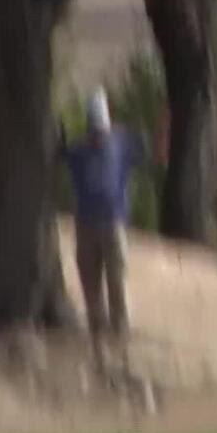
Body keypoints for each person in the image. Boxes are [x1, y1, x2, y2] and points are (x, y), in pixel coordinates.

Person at [60, 89, 147, 364]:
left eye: (102, 131)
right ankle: (97, 335)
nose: (98, 137)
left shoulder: (122, 142)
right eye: (94, 131)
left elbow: (146, 153)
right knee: (90, 281)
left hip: (113, 225)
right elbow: (60, 154)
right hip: (85, 225)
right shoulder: (80, 151)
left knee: (116, 279)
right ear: (88, 128)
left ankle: (120, 334)